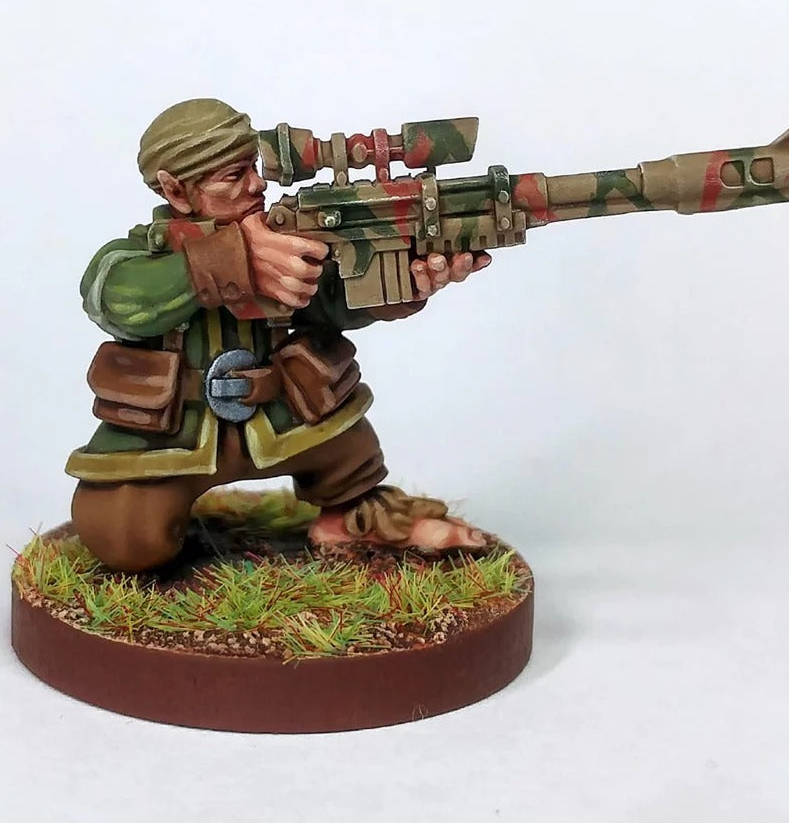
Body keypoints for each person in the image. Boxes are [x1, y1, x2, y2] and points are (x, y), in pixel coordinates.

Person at [66, 99, 491, 572]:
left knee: (351, 460)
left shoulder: (284, 237)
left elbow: (329, 302)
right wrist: (232, 259)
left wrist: (400, 283)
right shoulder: (136, 256)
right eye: (233, 175)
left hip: (286, 421)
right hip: (171, 435)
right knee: (126, 537)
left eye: (253, 167)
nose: (257, 184)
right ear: (175, 190)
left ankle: (351, 518)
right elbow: (115, 299)